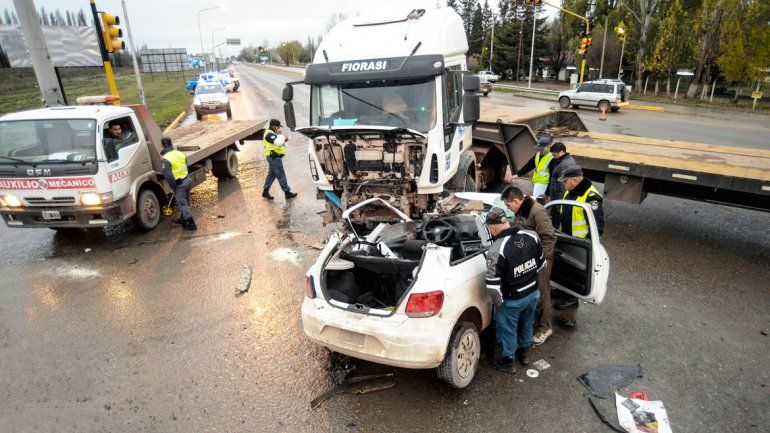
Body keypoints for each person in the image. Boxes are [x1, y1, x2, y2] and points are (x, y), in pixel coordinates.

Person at [484, 208, 545, 374]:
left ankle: (508, 361)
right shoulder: (531, 236)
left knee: (507, 329)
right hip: (532, 293)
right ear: (506, 221)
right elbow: (541, 264)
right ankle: (524, 354)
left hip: (512, 299)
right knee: (527, 323)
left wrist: (500, 305)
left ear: (492, 228)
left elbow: (492, 285)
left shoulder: (497, 249)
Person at [501, 186, 557, 346]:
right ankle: (531, 321)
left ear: (517, 201)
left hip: (541, 260)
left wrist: (541, 261)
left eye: (508, 205)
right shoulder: (521, 211)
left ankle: (545, 327)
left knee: (541, 292)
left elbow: (549, 237)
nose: (508, 209)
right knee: (530, 291)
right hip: (528, 259)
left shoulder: (537, 211)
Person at [553, 165, 604, 326]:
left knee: (576, 270)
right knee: (562, 266)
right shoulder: (571, 190)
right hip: (565, 237)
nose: (563, 184)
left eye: (565, 181)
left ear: (574, 180)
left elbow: (598, 225)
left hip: (579, 243)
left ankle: (571, 298)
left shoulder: (591, 197)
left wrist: (589, 244)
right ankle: (562, 291)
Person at [160, 137, 196, 231]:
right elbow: (185, 166)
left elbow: (168, 176)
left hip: (179, 184)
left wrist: (173, 187)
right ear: (171, 144)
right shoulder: (180, 153)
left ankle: (191, 224)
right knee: (186, 202)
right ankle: (184, 219)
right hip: (187, 180)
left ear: (162, 145)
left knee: (182, 204)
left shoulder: (165, 159)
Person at [262, 119, 297, 200]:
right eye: (278, 127)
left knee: (271, 175)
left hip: (273, 157)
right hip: (274, 157)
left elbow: (276, 143)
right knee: (281, 174)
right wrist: (280, 136)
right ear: (274, 126)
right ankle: (287, 192)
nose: (279, 129)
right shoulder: (269, 134)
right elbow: (277, 143)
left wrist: (283, 140)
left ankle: (265, 191)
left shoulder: (272, 133)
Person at [513, 135, 553, 201]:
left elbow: (553, 178)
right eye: (539, 149)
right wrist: (517, 174)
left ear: (548, 146)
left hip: (544, 186)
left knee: (537, 203)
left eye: (541, 149)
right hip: (536, 183)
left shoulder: (552, 158)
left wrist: (547, 193)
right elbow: (529, 165)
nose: (539, 151)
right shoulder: (538, 154)